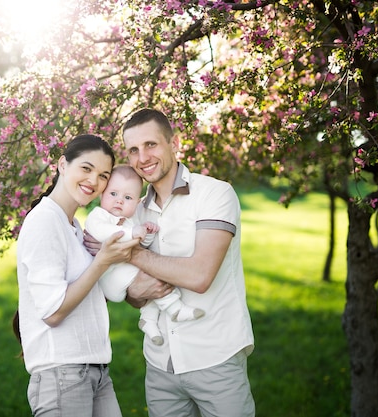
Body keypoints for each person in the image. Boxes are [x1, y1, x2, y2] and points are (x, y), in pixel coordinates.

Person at [85, 109, 255, 417]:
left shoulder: (215, 194)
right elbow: (134, 296)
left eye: (151, 145)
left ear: (173, 143)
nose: (143, 157)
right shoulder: (133, 208)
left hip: (215, 357)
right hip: (160, 363)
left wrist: (125, 250)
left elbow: (200, 275)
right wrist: (135, 285)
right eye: (133, 150)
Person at [15, 134, 139, 417]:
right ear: (62, 164)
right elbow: (53, 312)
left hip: (94, 370)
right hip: (63, 373)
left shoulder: (73, 226)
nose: (93, 181)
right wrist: (103, 262)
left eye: (103, 175)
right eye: (86, 168)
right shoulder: (45, 221)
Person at [84, 165, 205, 346]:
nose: (119, 201)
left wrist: (146, 233)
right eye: (113, 194)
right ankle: (175, 308)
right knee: (154, 274)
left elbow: (140, 245)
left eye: (127, 197)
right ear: (102, 194)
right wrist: (133, 233)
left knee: (151, 272)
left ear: (136, 202)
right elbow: (105, 233)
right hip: (111, 278)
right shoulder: (98, 216)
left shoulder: (131, 220)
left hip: (122, 274)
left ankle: (148, 321)